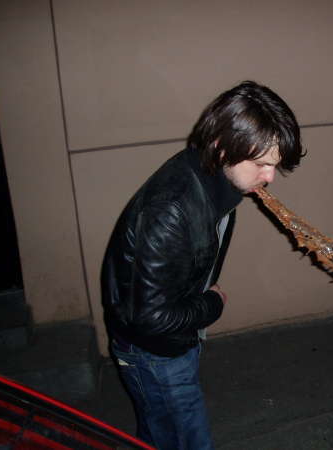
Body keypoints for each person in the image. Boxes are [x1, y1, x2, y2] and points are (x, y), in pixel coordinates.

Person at [101, 80, 304, 450]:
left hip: (172, 339)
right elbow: (150, 318)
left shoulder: (214, 177)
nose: (270, 177)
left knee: (158, 433)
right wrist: (213, 304)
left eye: (274, 165)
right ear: (223, 146)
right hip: (155, 352)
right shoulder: (170, 210)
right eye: (262, 164)